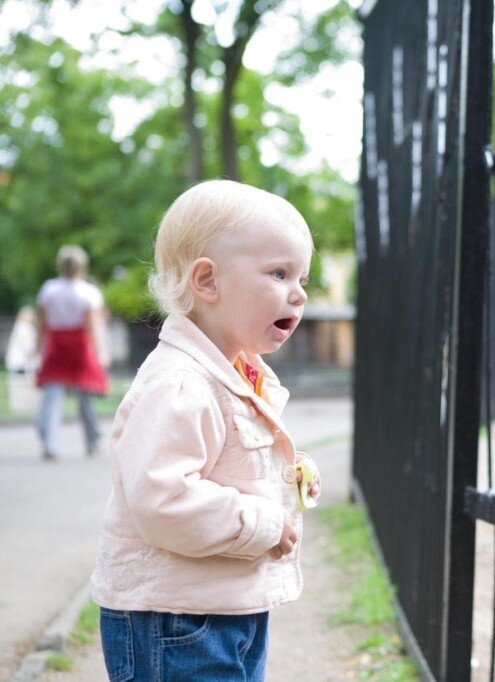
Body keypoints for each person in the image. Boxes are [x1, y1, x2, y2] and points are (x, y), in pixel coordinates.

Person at [90, 180, 323, 681]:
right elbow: (163, 499)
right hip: (175, 619)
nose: (299, 293)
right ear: (208, 281)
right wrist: (262, 524)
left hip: (222, 604)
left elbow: (231, 463)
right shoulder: (180, 383)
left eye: (302, 277)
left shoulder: (236, 372)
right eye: (279, 273)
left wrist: (292, 474)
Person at [35, 245, 109, 460]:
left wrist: (36, 349)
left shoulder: (48, 290)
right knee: (84, 396)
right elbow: (93, 327)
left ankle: (49, 442)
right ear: (82, 266)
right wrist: (100, 352)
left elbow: (42, 324)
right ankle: (93, 438)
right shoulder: (89, 292)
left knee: (52, 397)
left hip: (56, 346)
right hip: (79, 346)